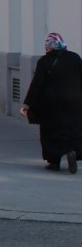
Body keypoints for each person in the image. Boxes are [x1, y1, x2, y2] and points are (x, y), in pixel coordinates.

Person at [20, 32, 82, 173]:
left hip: (51, 104)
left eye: (47, 45)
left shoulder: (44, 61)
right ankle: (72, 151)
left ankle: (54, 162)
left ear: (51, 46)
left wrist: (27, 104)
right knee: (74, 128)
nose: (46, 48)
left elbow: (36, 85)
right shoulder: (75, 58)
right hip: (74, 102)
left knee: (51, 131)